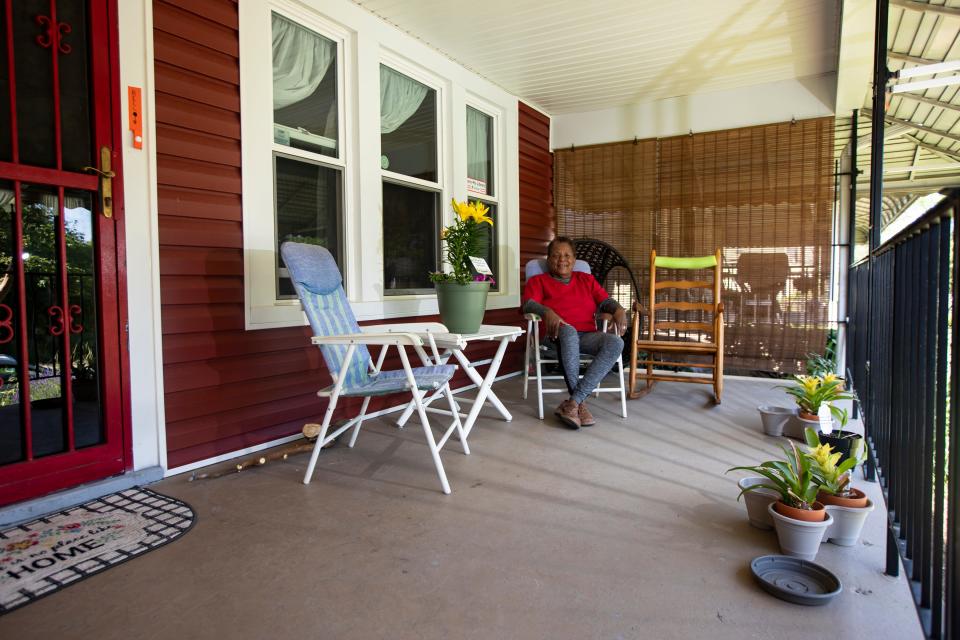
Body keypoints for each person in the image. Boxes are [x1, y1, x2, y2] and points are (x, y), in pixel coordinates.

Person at [522, 237, 626, 429]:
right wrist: (547, 312)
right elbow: (528, 304)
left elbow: (604, 301)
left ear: (574, 259)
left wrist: (618, 309)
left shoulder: (585, 279)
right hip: (555, 336)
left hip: (587, 335)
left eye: (567, 255)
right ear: (548, 259)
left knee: (616, 343)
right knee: (568, 331)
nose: (562, 259)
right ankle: (579, 405)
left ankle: (573, 403)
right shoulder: (539, 281)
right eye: (556, 255)